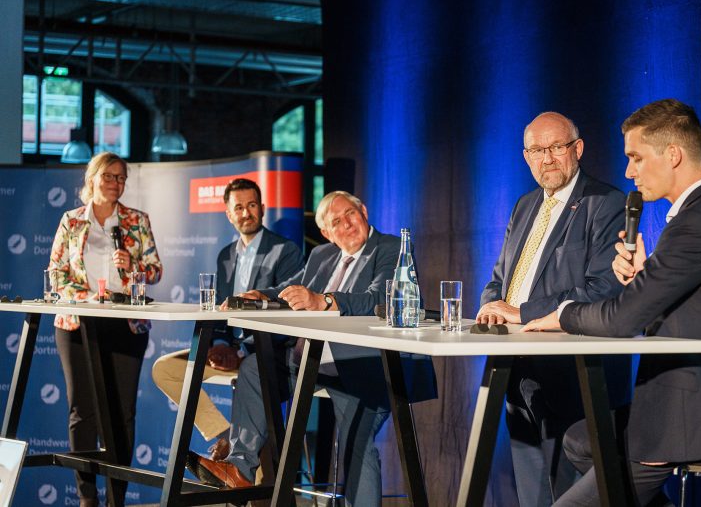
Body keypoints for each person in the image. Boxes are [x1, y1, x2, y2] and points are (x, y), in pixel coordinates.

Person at [522, 99, 701, 506]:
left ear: (672, 155)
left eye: (635, 157)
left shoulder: (696, 225)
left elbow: (622, 319)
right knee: (580, 440)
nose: (629, 171)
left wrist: (561, 315)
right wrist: (645, 279)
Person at [187, 190, 437, 507]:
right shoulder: (323, 255)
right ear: (326, 233)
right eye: (336, 221)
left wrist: (325, 300)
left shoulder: (390, 248)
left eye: (351, 214)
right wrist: (260, 296)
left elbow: (382, 300)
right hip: (312, 360)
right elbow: (292, 288)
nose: (346, 224)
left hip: (364, 364)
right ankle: (239, 468)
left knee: (355, 440)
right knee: (254, 369)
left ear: (364, 211)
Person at [476, 112, 631, 506]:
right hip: (515, 365)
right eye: (536, 151)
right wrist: (492, 307)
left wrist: (522, 312)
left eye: (556, 148)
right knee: (531, 489)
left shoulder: (606, 202)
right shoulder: (525, 205)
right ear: (525, 157)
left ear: (577, 149)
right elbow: (499, 280)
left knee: (566, 491)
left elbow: (604, 288)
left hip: (573, 371)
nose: (546, 159)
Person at [151, 177, 303, 460]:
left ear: (263, 208)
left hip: (265, 355)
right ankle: (226, 435)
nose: (246, 213)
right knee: (165, 369)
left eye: (252, 205)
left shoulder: (285, 251)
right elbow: (220, 311)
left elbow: (288, 312)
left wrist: (243, 351)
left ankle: (248, 475)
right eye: (239, 207)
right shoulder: (225, 256)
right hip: (231, 352)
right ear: (229, 214)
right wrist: (220, 344)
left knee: (253, 387)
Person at [49, 152, 163, 507]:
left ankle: (117, 496)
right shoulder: (71, 221)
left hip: (124, 324)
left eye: (121, 178)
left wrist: (133, 267)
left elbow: (155, 270)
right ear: (92, 179)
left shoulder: (136, 220)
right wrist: (83, 296)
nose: (116, 184)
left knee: (121, 412)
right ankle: (87, 497)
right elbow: (56, 272)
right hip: (77, 323)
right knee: (81, 409)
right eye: (109, 176)